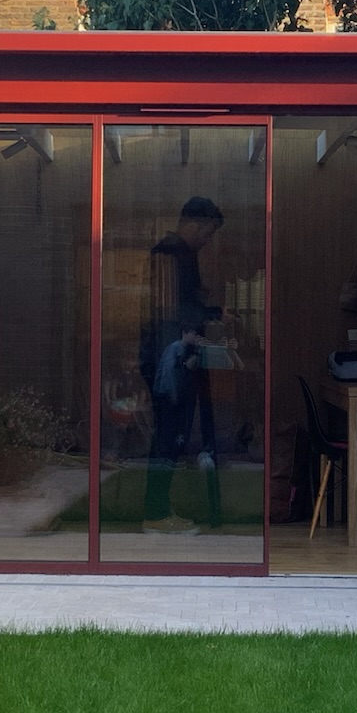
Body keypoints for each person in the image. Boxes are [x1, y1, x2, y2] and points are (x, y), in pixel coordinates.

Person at [140, 196, 223, 531]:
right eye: (208, 233)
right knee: (170, 435)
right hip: (170, 359)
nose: (208, 240)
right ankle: (156, 514)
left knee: (170, 433)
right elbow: (174, 312)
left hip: (167, 356)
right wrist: (210, 314)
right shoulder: (172, 254)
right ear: (195, 224)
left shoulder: (173, 254)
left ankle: (157, 510)